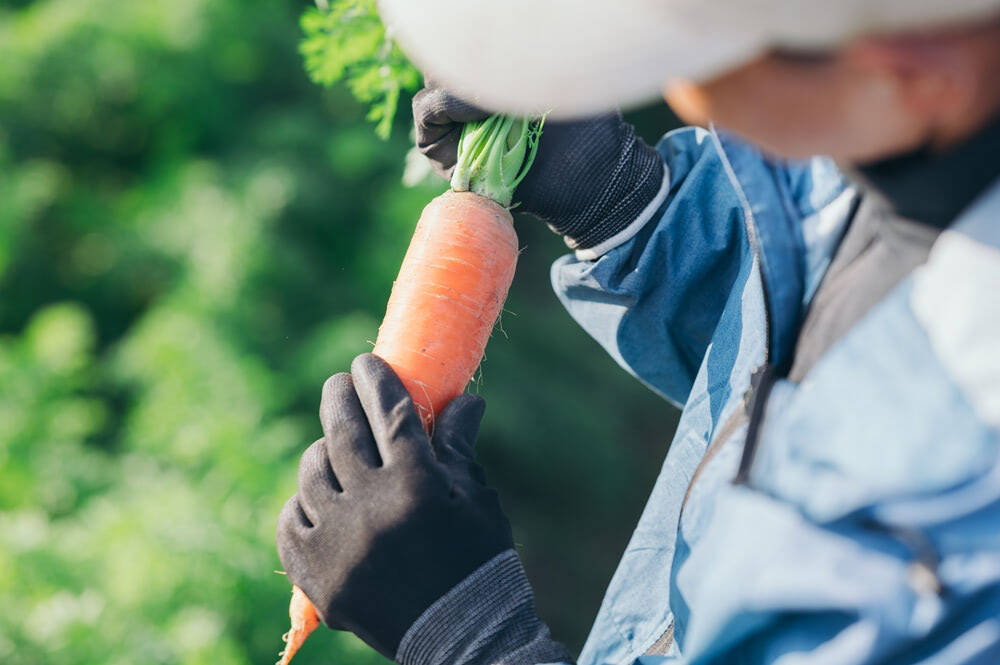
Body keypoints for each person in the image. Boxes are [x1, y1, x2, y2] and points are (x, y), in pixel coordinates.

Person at [276, 2, 1000, 664]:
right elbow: (804, 335)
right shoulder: (926, 140)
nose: (683, 94)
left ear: (916, 69)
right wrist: (628, 205)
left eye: (702, 61)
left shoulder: (962, 516)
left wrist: (473, 638)